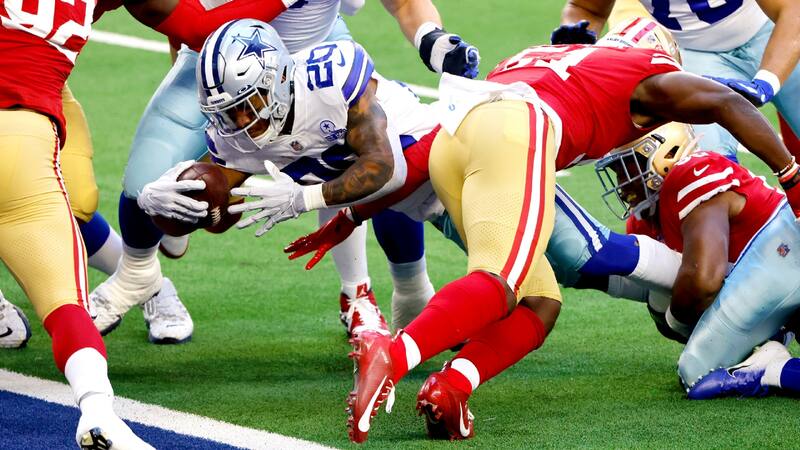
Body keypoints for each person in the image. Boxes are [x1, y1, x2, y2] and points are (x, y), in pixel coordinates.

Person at [318, 32, 800, 441]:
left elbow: (428, 145)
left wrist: (357, 211)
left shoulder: (552, 61)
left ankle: (452, 387)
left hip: (451, 143)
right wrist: (790, 174)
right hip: (517, 131)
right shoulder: (643, 76)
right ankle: (394, 354)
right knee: (501, 281)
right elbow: (722, 103)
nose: (624, 176)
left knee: (539, 302)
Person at [94, 0, 481, 343]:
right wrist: (173, 197)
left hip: (316, 56)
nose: (242, 127)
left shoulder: (335, 75)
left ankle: (366, 292)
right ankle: (137, 273)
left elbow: (386, 166)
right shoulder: (233, 119)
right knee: (146, 179)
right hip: (215, 63)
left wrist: (430, 37)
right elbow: (188, 23)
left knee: (375, 158)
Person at [595, 121, 800, 400]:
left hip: (785, 250)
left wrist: (675, 321)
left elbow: (703, 282)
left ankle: (769, 368)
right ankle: (773, 344)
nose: (621, 182)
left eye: (627, 167)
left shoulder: (690, 174)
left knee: (698, 371)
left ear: (665, 155)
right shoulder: (644, 220)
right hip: (775, 268)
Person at [556, 0, 800, 161]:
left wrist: (766, 82)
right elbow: (587, 8)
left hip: (775, 31)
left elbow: (792, 9)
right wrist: (578, 36)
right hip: (697, 54)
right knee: (707, 163)